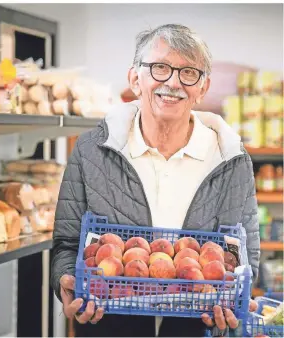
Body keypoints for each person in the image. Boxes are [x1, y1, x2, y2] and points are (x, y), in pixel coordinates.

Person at [51, 24, 260, 337]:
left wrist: (232, 303)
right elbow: (67, 244)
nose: (173, 82)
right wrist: (67, 280)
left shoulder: (231, 159)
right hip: (109, 327)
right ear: (135, 79)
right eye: (160, 68)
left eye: (189, 73)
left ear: (202, 88)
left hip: (196, 330)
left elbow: (246, 256)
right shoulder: (91, 151)